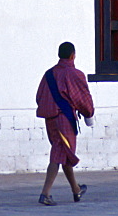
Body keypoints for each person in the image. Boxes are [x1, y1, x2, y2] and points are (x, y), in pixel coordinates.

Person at [35, 41, 95, 206]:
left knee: (64, 153)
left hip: (50, 120)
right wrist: (89, 113)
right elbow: (83, 99)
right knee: (58, 153)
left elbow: (39, 97)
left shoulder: (48, 74)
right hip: (64, 120)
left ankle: (76, 190)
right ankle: (45, 194)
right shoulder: (75, 74)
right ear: (72, 55)